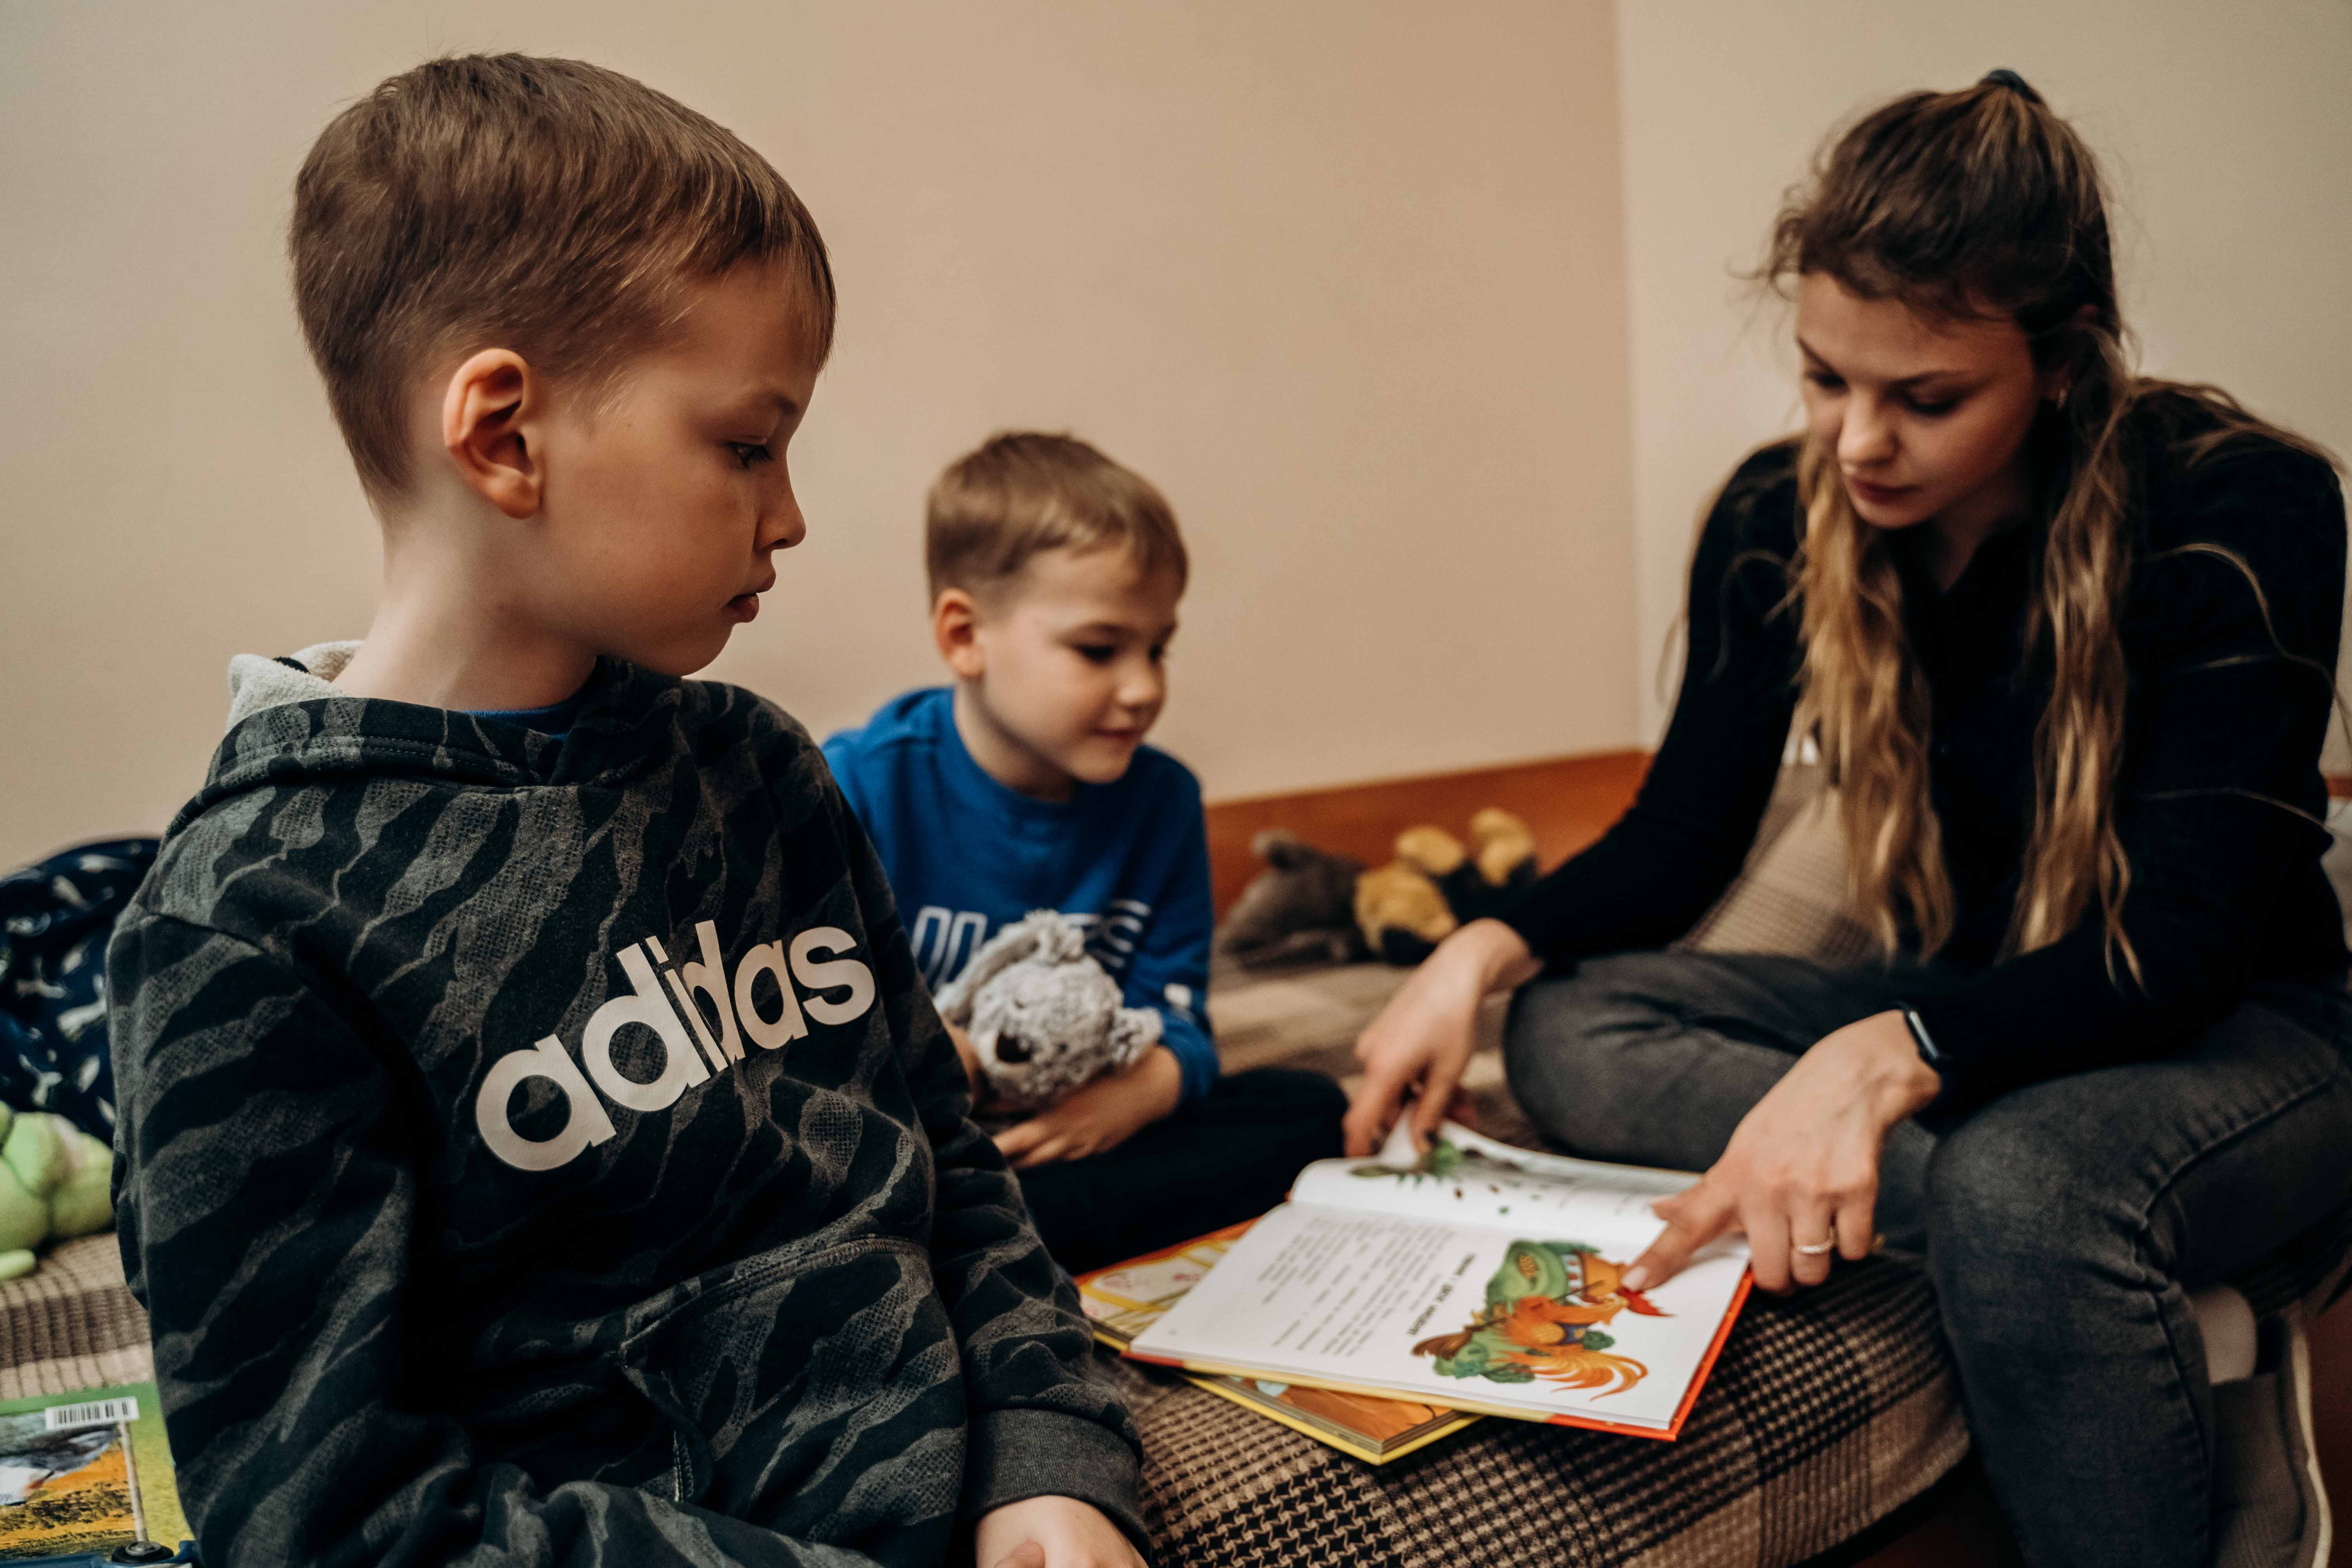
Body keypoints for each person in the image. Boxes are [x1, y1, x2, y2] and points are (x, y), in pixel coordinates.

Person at [106, 55, 1146, 1568]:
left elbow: (949, 1161)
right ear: (504, 436)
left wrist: (1047, 1460)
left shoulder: (760, 771)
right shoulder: (248, 923)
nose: (790, 514)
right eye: (747, 446)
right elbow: (323, 1512)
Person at [1345, 72, 2350, 1568]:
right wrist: (1474, 954)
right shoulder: (1779, 514)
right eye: (1824, 379)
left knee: (2021, 1186)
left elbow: (2184, 949)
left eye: (1925, 399)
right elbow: (1681, 844)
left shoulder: (2240, 506)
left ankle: (2053, 1237)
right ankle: (2073, 1256)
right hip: (1989, 996)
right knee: (1566, 1026)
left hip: (2249, 1030)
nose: (1856, 441)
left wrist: (1889, 1057)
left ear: (2063, 359)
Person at [824, 432, 1346, 1272]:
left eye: (1158, 647)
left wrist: (1133, 1098)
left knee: (1312, 1109)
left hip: (1074, 1138)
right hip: (919, 1138)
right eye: (1099, 650)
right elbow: (811, 1028)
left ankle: (985, 1242)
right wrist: (928, 1055)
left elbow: (1178, 1016)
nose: (1144, 688)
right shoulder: (859, 784)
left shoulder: (1163, 800)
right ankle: (969, 1237)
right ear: (965, 635)